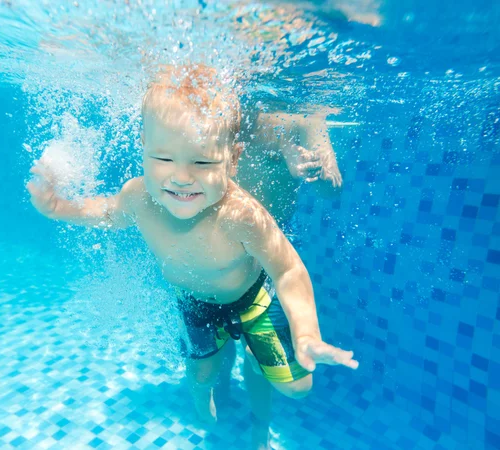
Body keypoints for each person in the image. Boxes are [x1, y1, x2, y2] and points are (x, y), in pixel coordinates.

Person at [27, 64, 358, 449]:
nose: (182, 177)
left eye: (202, 162)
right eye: (164, 159)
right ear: (143, 145)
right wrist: (57, 207)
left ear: (232, 160)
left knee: (299, 387)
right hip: (195, 305)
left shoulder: (242, 214)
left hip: (251, 301)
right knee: (202, 374)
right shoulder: (139, 197)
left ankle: (257, 379)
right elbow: (106, 212)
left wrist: (306, 333)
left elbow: (287, 270)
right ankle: (202, 397)